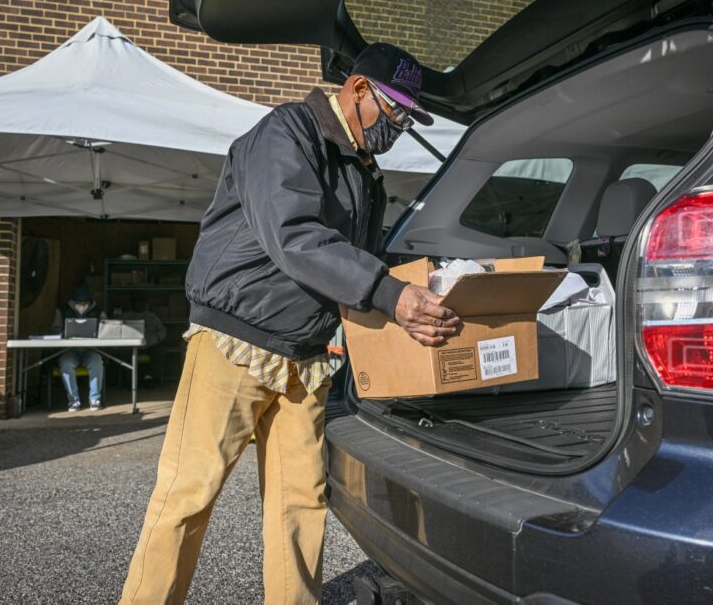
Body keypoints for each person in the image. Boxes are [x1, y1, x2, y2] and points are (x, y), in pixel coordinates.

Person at [120, 43, 461, 604]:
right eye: (396, 111)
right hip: (236, 338)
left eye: (408, 118)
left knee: (301, 504)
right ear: (357, 90)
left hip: (306, 355)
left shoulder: (363, 172)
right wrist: (388, 293)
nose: (399, 126)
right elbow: (295, 236)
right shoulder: (285, 132)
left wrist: (416, 287)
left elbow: (359, 259)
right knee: (188, 493)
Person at [51, 283, 106, 411]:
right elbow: (55, 330)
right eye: (79, 302)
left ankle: (95, 399)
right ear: (73, 301)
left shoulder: (99, 311)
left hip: (91, 349)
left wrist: (98, 334)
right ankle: (73, 401)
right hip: (69, 349)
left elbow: (106, 330)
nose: (82, 305)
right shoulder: (62, 310)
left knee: (97, 362)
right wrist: (64, 335)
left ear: (90, 301)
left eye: (85, 302)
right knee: (65, 364)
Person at [121, 298, 168, 387]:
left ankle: (150, 378)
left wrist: (156, 339)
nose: (139, 305)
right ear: (133, 304)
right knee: (124, 351)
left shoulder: (152, 316)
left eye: (141, 302)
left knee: (160, 351)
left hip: (149, 344)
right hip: (131, 345)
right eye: (137, 302)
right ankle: (131, 380)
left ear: (145, 304)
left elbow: (162, 330)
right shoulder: (126, 316)